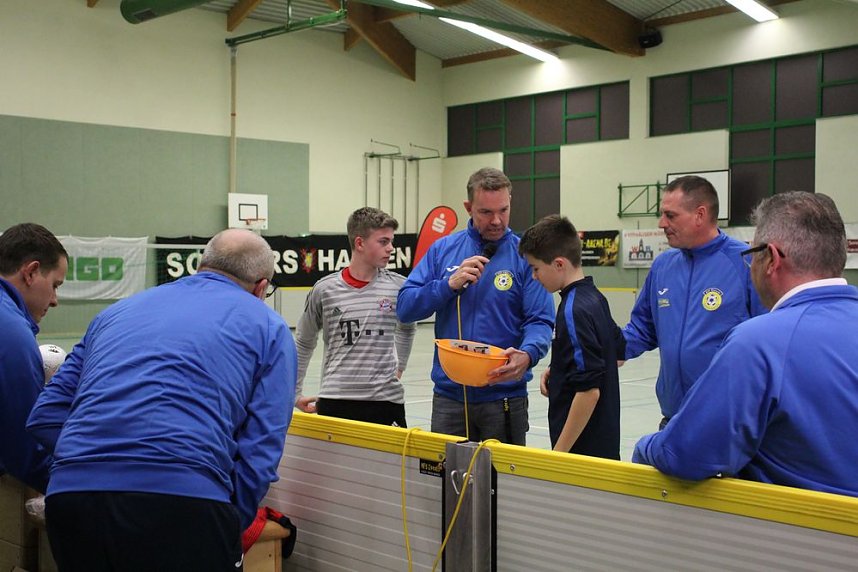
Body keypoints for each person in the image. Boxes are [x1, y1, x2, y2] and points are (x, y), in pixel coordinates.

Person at [27, 228, 297, 571]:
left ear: (201, 266)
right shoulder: (269, 327)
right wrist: (231, 518)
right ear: (261, 287)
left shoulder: (114, 314)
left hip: (73, 499)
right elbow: (262, 446)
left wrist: (88, 465)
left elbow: (45, 416)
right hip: (185, 500)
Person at [633, 192, 858, 497]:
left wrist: (645, 447)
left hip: (794, 533)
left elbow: (686, 454)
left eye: (752, 254)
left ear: (772, 259)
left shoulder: (759, 342)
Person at [396, 167, 554, 445]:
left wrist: (528, 355)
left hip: (504, 397)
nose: (497, 220)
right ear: (469, 207)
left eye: (503, 210)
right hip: (449, 400)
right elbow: (406, 307)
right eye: (485, 212)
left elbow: (540, 321)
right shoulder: (442, 250)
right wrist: (447, 285)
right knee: (447, 485)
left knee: (502, 485)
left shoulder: (525, 257)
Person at [622, 175, 766, 429]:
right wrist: (599, 351)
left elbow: (768, 341)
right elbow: (642, 329)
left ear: (700, 215)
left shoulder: (745, 263)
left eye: (671, 215)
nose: (661, 223)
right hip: (673, 420)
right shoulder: (663, 266)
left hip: (730, 423)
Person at [294, 207, 416, 427]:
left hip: (385, 401)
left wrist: (400, 368)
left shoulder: (399, 287)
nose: (391, 249)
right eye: (383, 242)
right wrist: (294, 393)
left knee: (388, 463)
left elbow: (407, 327)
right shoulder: (325, 290)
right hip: (335, 399)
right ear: (359, 243)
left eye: (391, 242)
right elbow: (304, 341)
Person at [519, 215, 623, 459]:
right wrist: (563, 371)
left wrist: (560, 455)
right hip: (604, 448)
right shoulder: (595, 298)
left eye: (536, 268)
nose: (534, 276)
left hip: (582, 454)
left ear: (558, 264)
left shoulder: (572, 310)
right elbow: (615, 353)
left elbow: (589, 391)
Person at [0, 222, 68, 493]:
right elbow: (25, 452)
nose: (54, 300)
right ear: (31, 272)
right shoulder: (12, 334)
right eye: (55, 285)